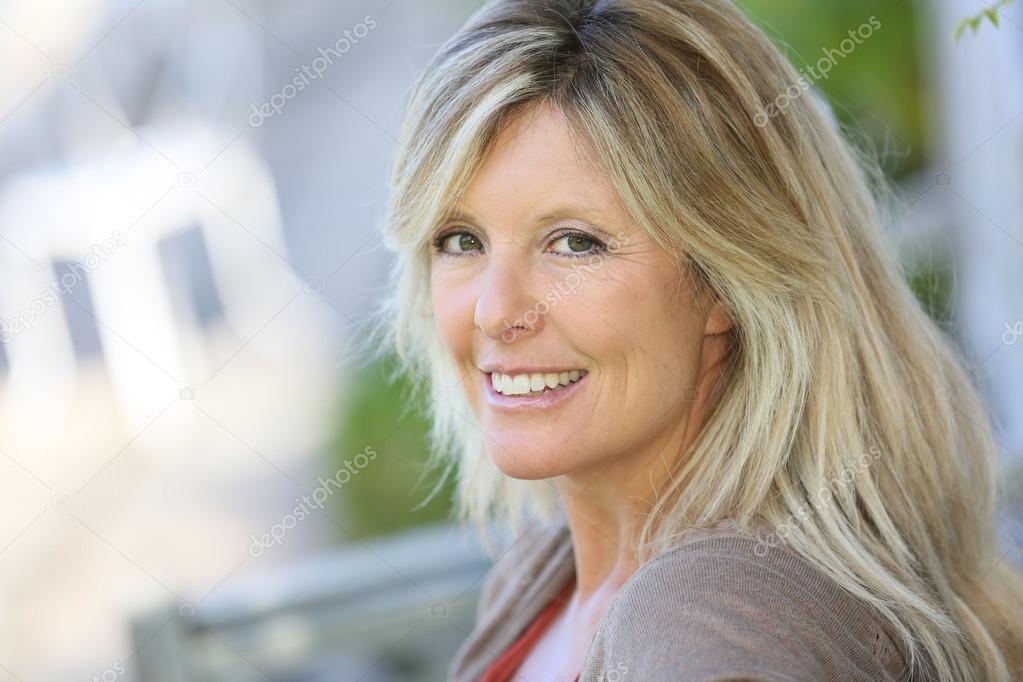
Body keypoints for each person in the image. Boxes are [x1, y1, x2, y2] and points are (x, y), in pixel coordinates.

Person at [371, 0, 1023, 679]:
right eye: (460, 240)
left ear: (723, 280)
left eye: (573, 242)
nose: (493, 311)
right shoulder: (544, 573)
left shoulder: (710, 623)